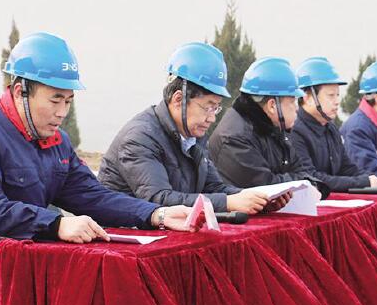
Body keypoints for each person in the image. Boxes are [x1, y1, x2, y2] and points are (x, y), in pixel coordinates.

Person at [0, 32, 196, 305]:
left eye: (68, 101)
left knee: (125, 298)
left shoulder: (55, 141)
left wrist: (156, 214)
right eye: (55, 99)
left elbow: (93, 197)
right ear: (20, 91)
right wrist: (56, 225)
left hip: (33, 272)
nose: (62, 113)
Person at [99, 42, 284, 214]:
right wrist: (228, 203)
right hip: (123, 232)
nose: (212, 118)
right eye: (208, 107)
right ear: (179, 99)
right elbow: (158, 199)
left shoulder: (193, 135)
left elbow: (215, 188)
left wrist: (256, 199)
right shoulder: (140, 138)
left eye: (216, 108)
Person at [208, 57, 328, 196]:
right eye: (292, 101)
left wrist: (306, 182)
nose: (297, 108)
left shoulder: (271, 128)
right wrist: (304, 182)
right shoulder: (235, 138)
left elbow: (299, 170)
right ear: (272, 105)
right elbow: (266, 188)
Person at [290, 57, 377, 192]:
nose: (337, 101)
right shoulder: (295, 131)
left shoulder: (330, 129)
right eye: (331, 95)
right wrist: (363, 182)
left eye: (337, 95)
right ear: (307, 98)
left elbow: (347, 169)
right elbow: (311, 178)